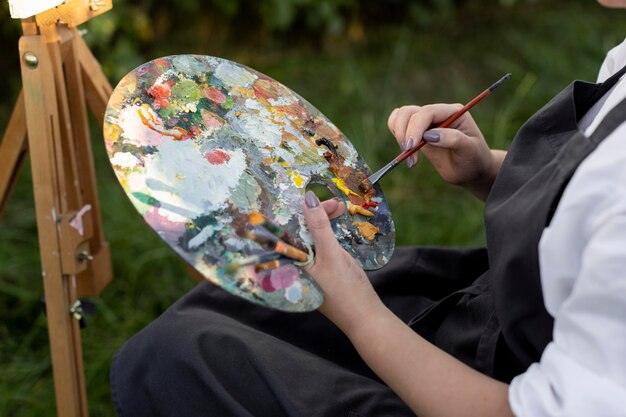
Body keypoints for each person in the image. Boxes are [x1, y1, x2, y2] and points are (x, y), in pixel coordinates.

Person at [110, 1, 626, 415]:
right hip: (507, 297)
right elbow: (587, 200)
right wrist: (488, 171)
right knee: (220, 309)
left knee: (172, 356)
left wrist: (360, 316)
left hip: (495, 375)